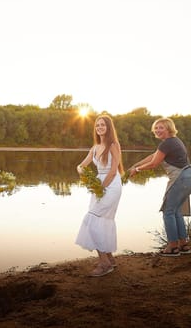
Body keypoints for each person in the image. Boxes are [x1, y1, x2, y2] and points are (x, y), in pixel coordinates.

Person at [128, 117, 191, 257]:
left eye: (161, 127)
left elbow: (154, 164)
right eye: (156, 127)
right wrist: (135, 166)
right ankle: (183, 245)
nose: (158, 130)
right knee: (176, 211)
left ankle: (172, 247)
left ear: (169, 128)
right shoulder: (174, 141)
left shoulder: (167, 143)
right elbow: (153, 157)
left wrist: (138, 170)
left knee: (168, 211)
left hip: (181, 178)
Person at [75, 114, 125, 277]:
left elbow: (113, 171)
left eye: (103, 125)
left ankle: (104, 263)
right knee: (101, 221)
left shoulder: (113, 144)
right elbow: (81, 165)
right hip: (99, 185)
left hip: (111, 185)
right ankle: (109, 260)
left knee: (92, 219)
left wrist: (100, 188)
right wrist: (83, 173)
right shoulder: (95, 147)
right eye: (97, 125)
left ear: (109, 127)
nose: (100, 128)